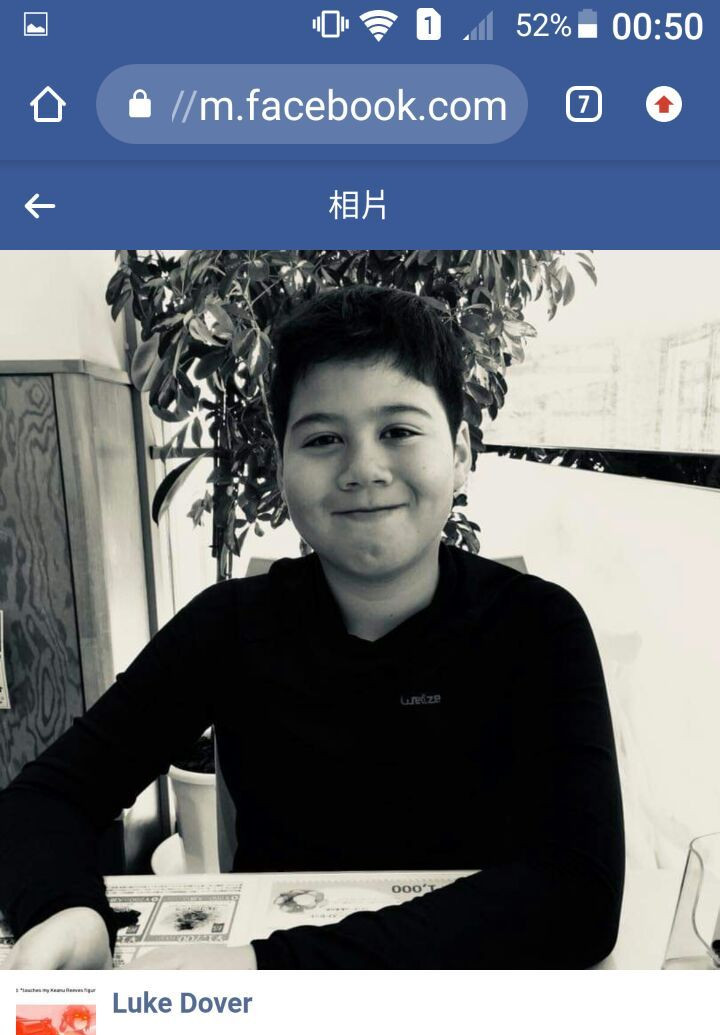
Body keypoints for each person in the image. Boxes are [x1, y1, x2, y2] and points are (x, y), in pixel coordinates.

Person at [0, 286, 625, 970]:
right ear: (282, 466)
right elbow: (46, 797)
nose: (363, 470)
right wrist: (64, 910)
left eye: (399, 431)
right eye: (324, 439)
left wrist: (272, 969)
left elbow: (579, 890)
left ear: (461, 453)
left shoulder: (538, 626)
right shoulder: (230, 625)